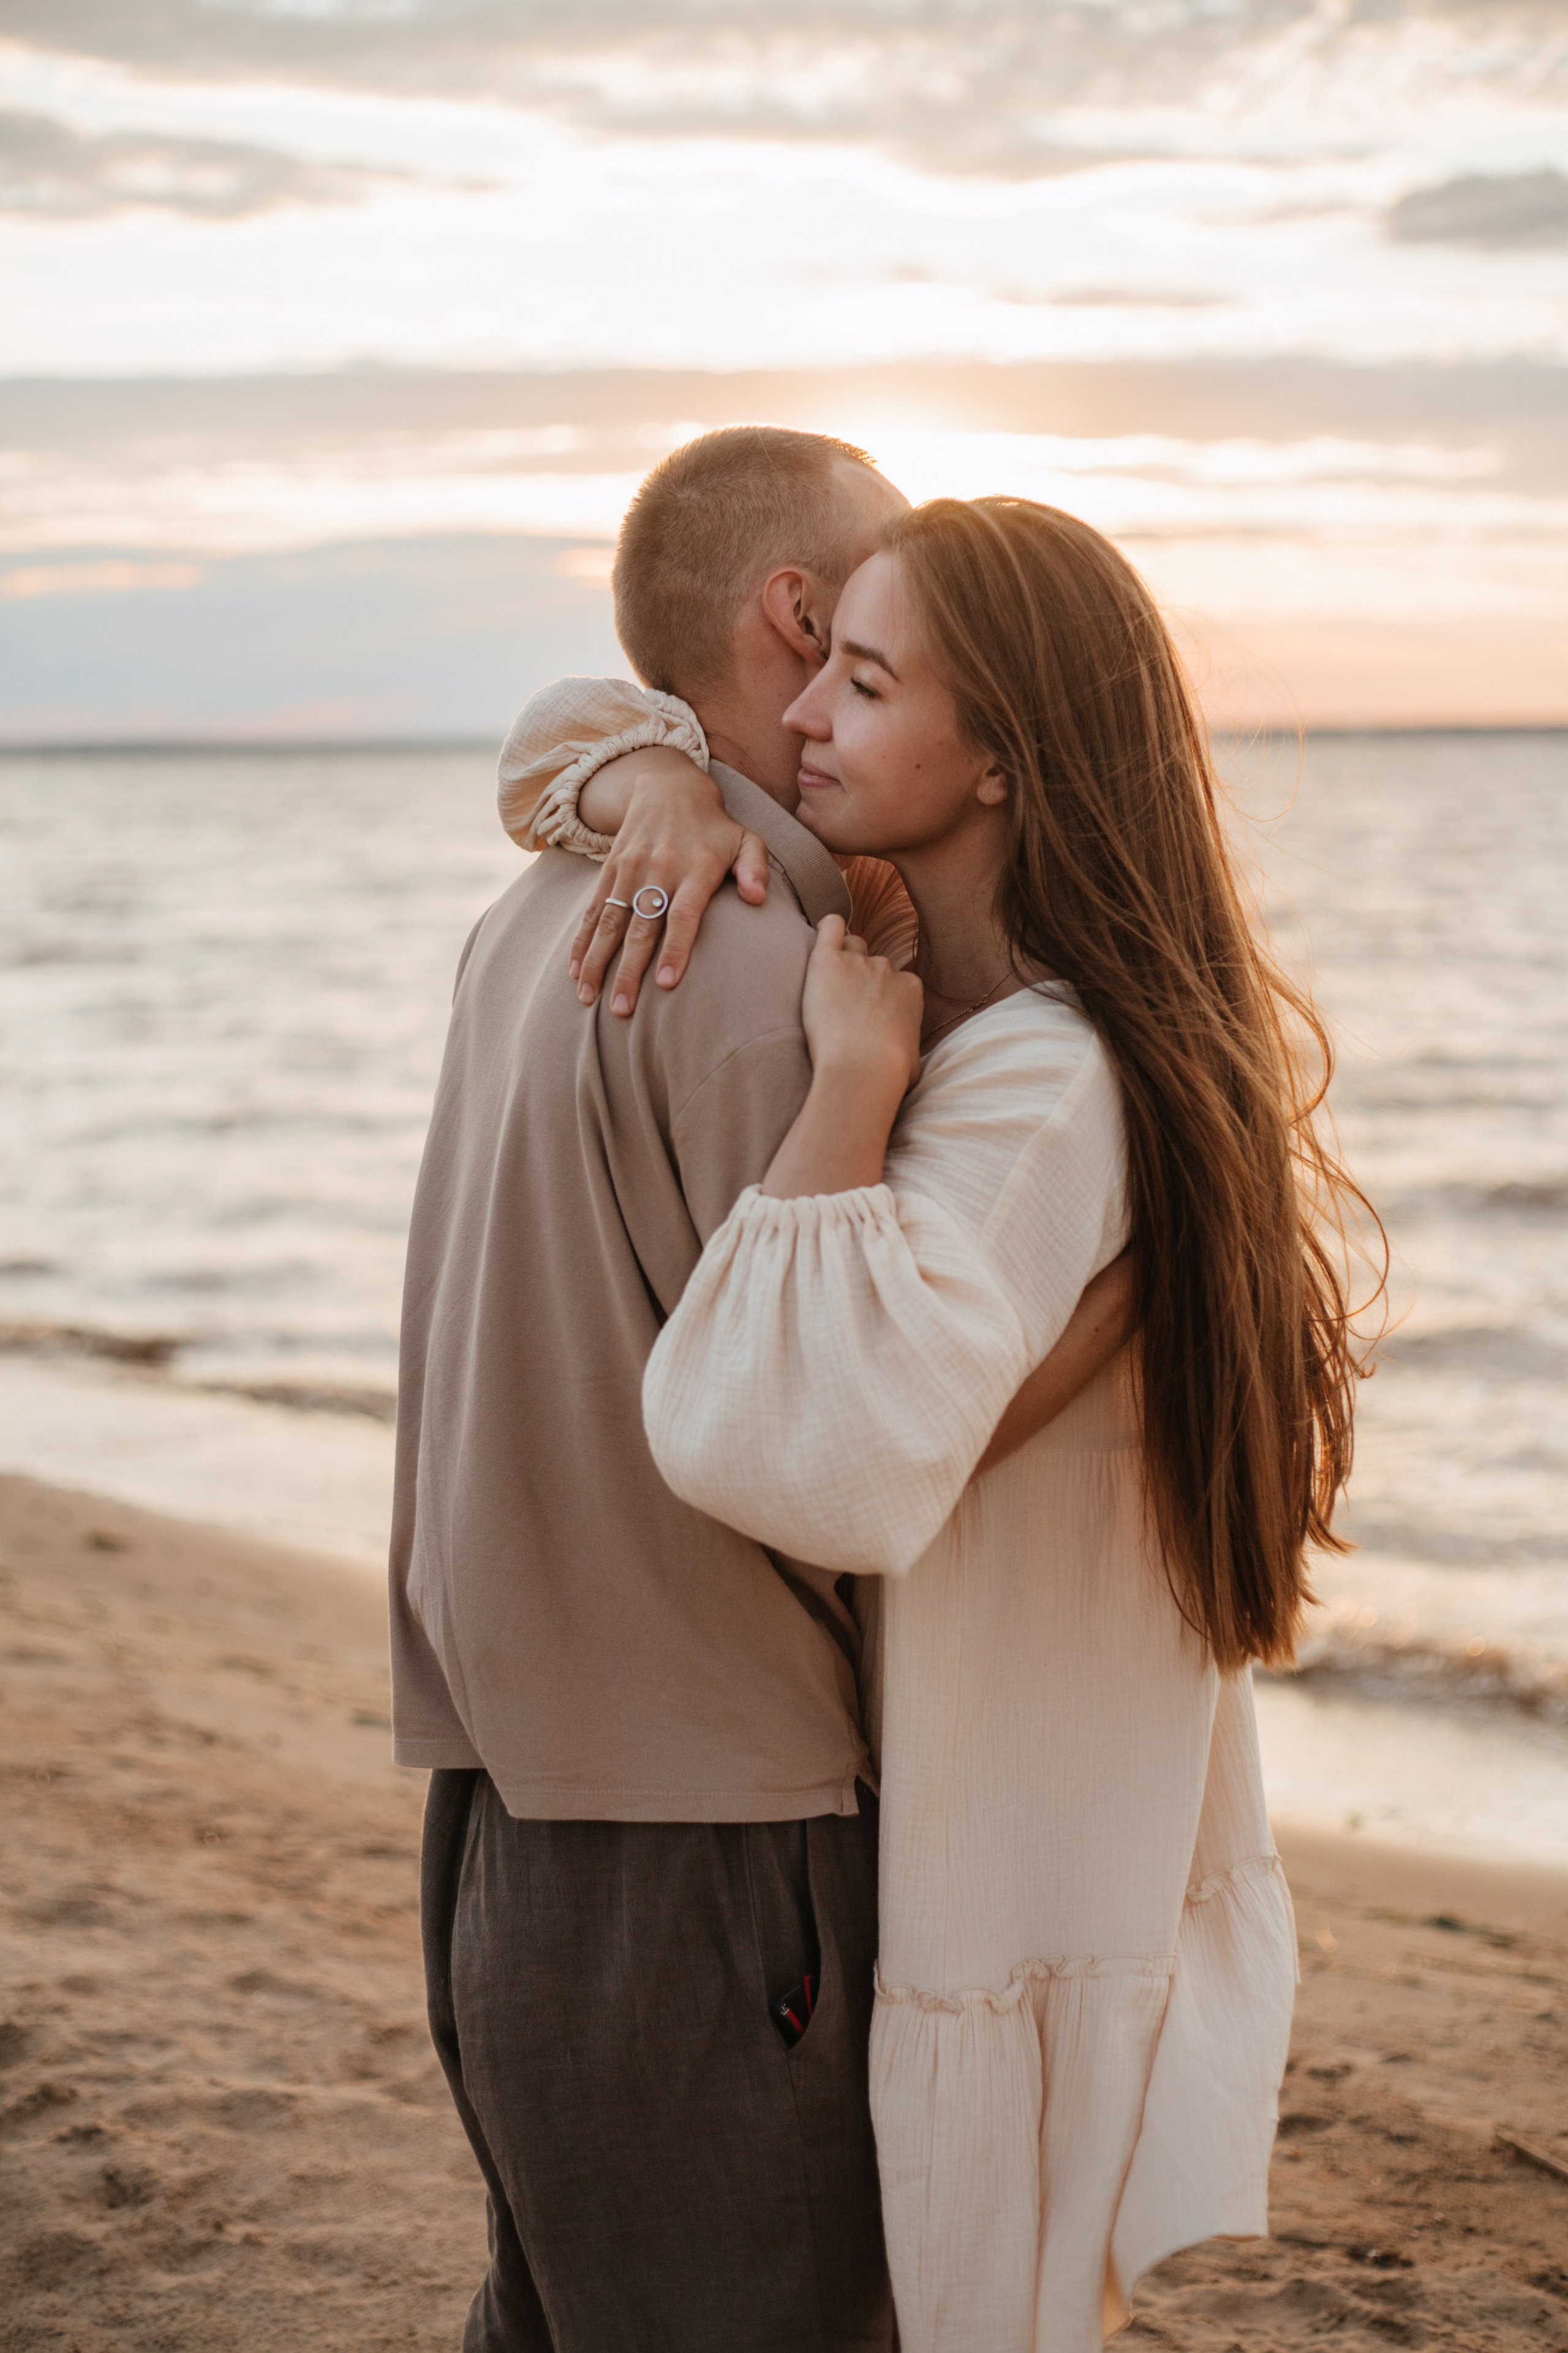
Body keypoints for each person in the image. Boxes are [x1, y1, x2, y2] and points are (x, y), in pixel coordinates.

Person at [515, 494, 1376, 2351]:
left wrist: (847, 1086)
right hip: (1013, 1845)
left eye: (867, 678)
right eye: (814, 661)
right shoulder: (1022, 1034)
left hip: (1008, 1876)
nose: (803, 711)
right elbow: (553, 735)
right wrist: (651, 775)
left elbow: (799, 1450)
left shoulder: (1039, 1078)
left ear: (1001, 759)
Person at [390, 432, 1134, 2353]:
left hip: (496, 1806)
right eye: (870, 623)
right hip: (706, 1830)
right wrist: (1140, 1311)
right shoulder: (772, 968)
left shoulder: (544, 911)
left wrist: (613, 757)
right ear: (801, 616)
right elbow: (835, 1436)